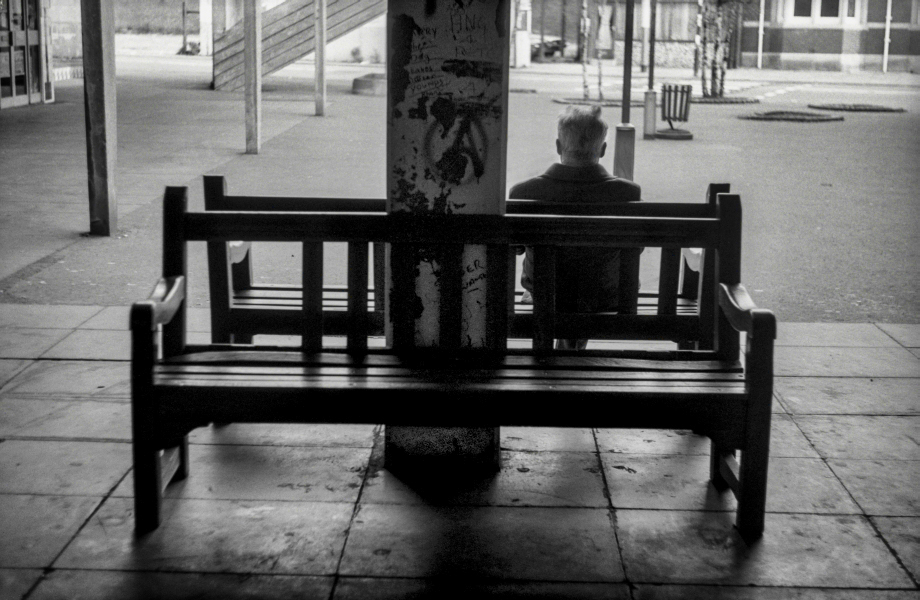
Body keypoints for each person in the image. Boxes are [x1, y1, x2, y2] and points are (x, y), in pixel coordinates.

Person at [510, 105, 641, 350]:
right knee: (590, 284)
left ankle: (557, 354)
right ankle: (570, 350)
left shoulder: (524, 193)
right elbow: (636, 247)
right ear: (602, 150)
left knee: (551, 287)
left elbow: (515, 246)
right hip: (605, 297)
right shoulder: (628, 194)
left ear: (559, 146)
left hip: (545, 293)